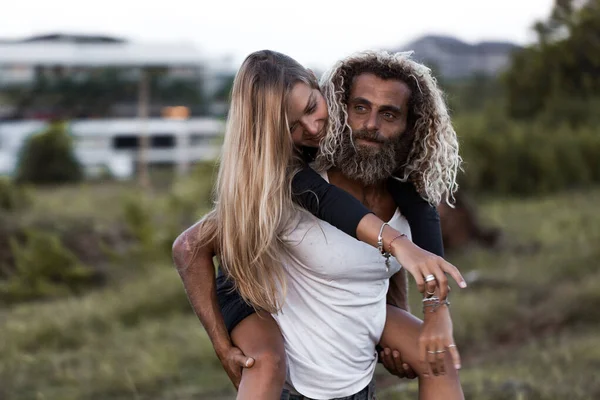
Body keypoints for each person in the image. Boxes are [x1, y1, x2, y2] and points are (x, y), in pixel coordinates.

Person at [173, 50, 465, 399]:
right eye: (360, 108)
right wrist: (223, 347)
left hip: (354, 343)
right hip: (255, 299)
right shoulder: (287, 179)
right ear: (343, 103)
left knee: (440, 357)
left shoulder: (407, 191)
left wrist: (427, 314)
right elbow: (330, 205)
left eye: (389, 114)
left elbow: (382, 264)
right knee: (265, 362)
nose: (371, 124)